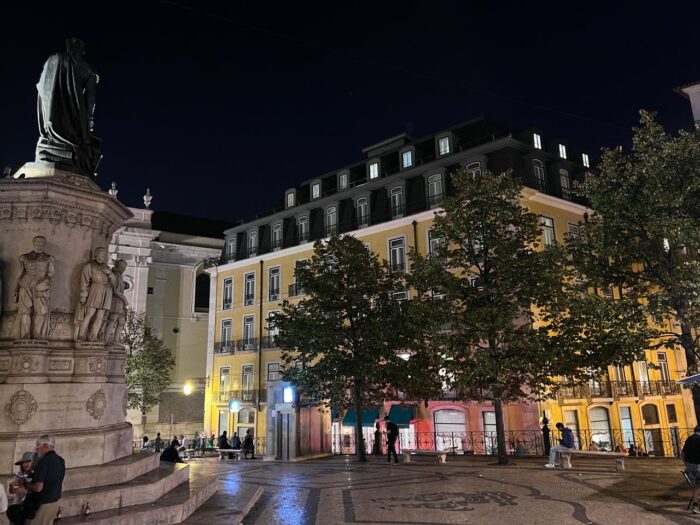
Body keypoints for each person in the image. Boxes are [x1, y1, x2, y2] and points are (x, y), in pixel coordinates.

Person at [35, 38, 102, 176]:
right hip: (76, 113)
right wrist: (88, 121)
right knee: (85, 147)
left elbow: (43, 89)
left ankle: (53, 143)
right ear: (82, 50)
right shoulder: (89, 71)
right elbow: (91, 99)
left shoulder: (54, 59)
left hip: (53, 115)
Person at [8, 435, 65, 525]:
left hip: (42, 505)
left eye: (37, 446)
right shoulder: (60, 460)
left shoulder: (44, 461)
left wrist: (26, 484)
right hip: (54, 503)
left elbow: (38, 488)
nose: (36, 449)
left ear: (45, 446)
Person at [14, 236, 55, 340]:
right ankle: (25, 334)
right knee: (25, 311)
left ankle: (38, 334)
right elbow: (19, 274)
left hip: (42, 287)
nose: (39, 245)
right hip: (25, 285)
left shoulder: (49, 258)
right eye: (37, 243)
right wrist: (16, 288)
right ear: (33, 243)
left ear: (44, 244)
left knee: (41, 312)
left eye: (41, 244)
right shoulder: (24, 257)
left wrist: (43, 284)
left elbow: (51, 275)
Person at [75, 247, 116, 341]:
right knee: (90, 313)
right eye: (101, 254)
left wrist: (110, 273)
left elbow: (113, 282)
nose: (103, 256)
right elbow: (84, 281)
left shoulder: (107, 267)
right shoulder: (90, 265)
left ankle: (93, 335)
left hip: (106, 291)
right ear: (96, 254)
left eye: (104, 254)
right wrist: (83, 294)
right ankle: (81, 335)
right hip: (96, 289)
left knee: (100, 315)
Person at [104, 259, 128, 342]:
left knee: (121, 321)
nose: (124, 269)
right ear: (120, 266)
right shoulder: (117, 276)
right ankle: (106, 339)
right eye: (124, 267)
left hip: (120, 302)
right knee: (112, 320)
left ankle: (116, 340)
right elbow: (116, 291)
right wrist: (124, 299)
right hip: (116, 301)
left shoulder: (119, 276)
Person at [683, 425, 700, 513]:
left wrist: (686, 465)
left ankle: (695, 505)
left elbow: (682, 454)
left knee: (696, 486)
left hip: (689, 467)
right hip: (698, 466)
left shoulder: (689, 439)